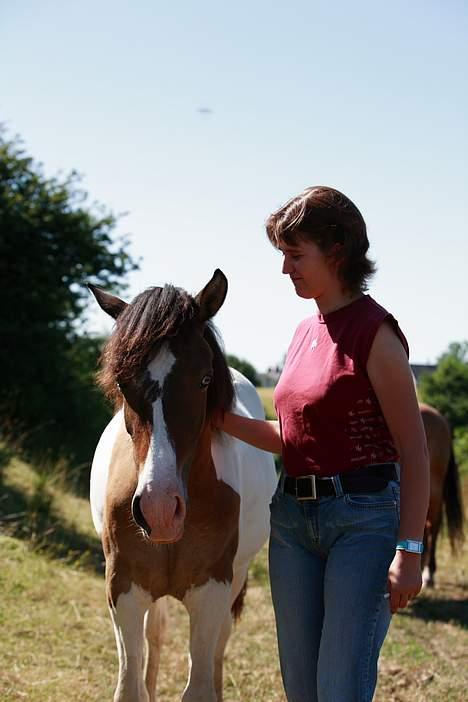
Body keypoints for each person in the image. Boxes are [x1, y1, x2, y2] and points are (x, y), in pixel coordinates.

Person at [217, 186, 429, 702]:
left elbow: (414, 450)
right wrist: (216, 419)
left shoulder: (375, 334)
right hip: (291, 523)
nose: (285, 269)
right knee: (302, 690)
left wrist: (410, 550)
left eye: (295, 255)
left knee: (339, 688)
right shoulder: (302, 332)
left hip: (363, 523)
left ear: (336, 252)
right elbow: (293, 440)